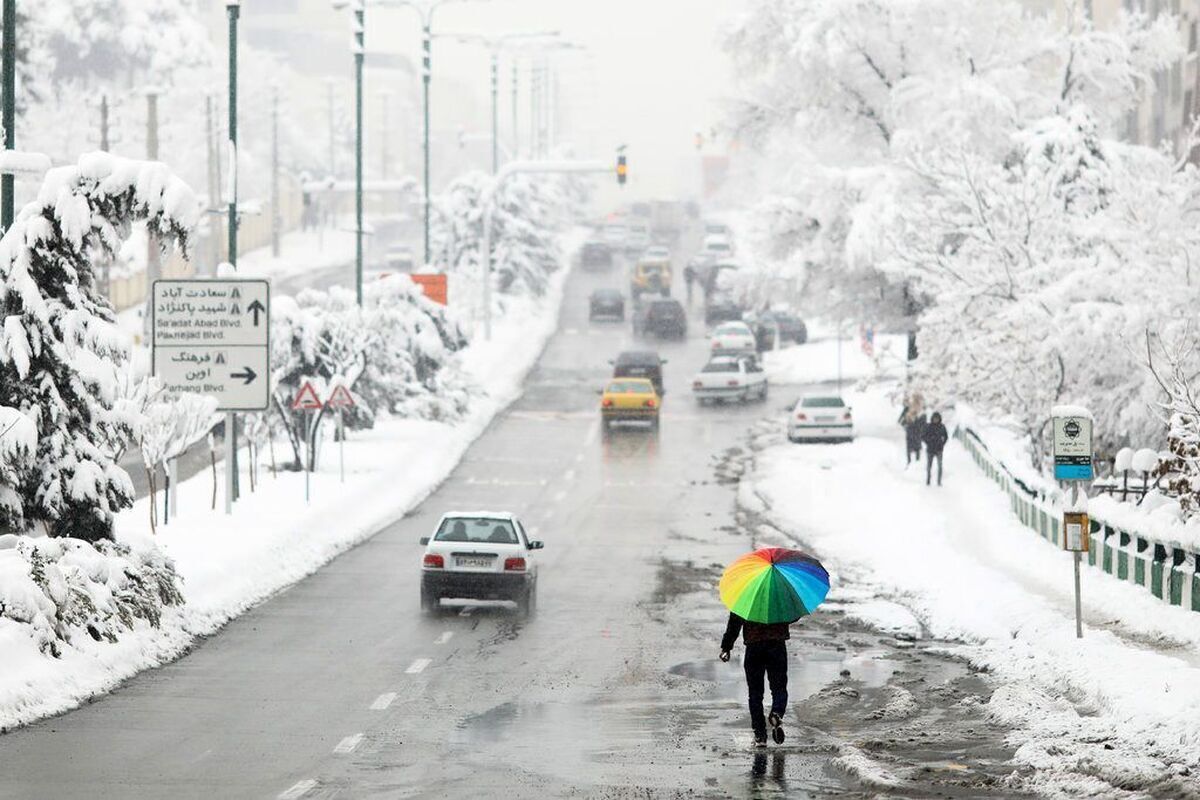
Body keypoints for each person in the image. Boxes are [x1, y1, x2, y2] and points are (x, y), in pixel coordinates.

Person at [720, 612, 789, 747]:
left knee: (755, 693)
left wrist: (726, 647)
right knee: (779, 687)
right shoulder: (780, 596)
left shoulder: (746, 597)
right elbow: (792, 616)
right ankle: (777, 712)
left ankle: (760, 735)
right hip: (777, 645)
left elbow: (735, 622)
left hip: (754, 646)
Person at [923, 411, 949, 486]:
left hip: (939, 449)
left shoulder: (942, 427)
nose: (936, 420)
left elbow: (946, 436)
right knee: (929, 466)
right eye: (934, 418)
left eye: (937, 419)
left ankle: (939, 481)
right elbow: (923, 436)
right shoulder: (928, 426)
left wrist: (942, 443)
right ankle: (928, 480)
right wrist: (928, 442)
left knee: (940, 466)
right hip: (930, 449)